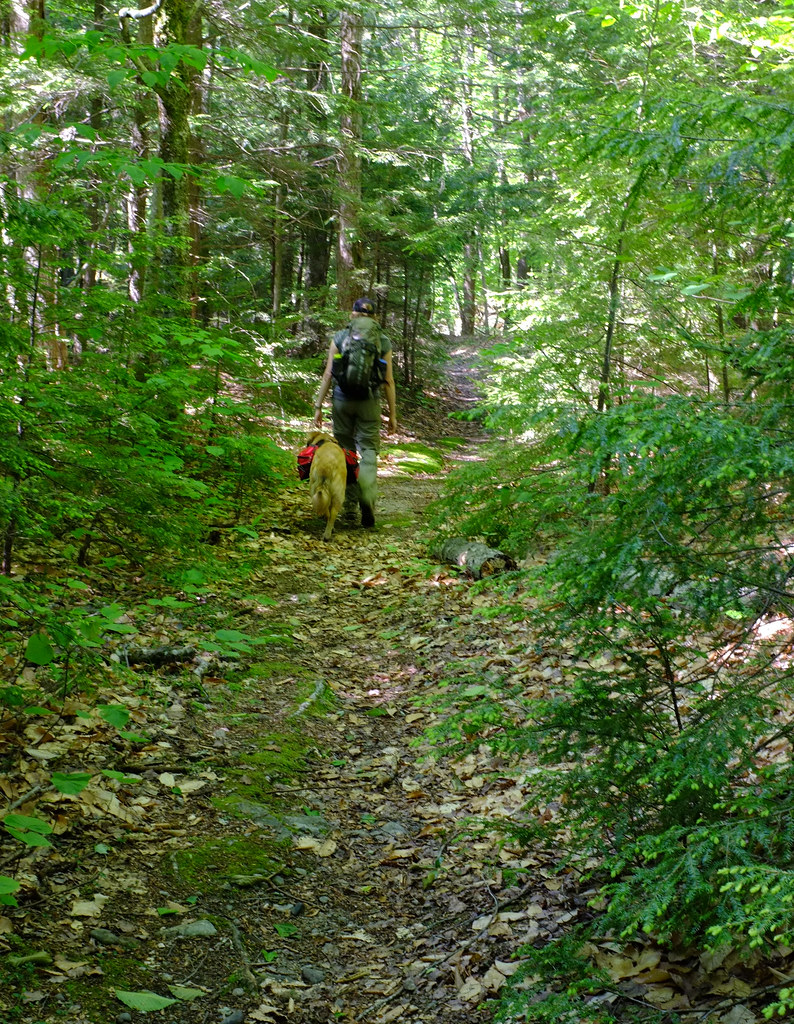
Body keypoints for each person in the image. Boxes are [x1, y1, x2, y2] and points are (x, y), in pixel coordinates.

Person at [313, 297, 397, 528]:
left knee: (346, 451)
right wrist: (392, 414)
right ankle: (367, 494)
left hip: (342, 401)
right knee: (368, 449)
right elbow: (388, 380)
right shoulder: (382, 340)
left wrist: (318, 406)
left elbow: (329, 374)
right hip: (369, 401)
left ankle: (349, 509)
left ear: (352, 314)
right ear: (374, 317)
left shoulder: (340, 337)